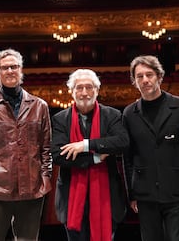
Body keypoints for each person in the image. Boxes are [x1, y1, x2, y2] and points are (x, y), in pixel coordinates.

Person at [0, 48, 52, 241]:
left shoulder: (40, 106)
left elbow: (46, 149)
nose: (10, 71)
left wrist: (45, 179)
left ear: (21, 70)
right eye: (5, 68)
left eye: (14, 67)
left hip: (32, 189)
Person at [51, 68, 129, 241]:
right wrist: (95, 157)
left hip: (107, 198)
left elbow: (122, 142)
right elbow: (58, 154)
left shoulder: (112, 115)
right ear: (71, 91)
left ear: (97, 90)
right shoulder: (60, 119)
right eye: (79, 87)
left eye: (89, 87)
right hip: (72, 199)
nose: (84, 92)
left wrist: (85, 145)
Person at [122, 55, 179, 241]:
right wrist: (132, 194)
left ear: (159, 76)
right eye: (139, 76)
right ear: (134, 81)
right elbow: (128, 157)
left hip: (177, 191)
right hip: (145, 193)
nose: (145, 80)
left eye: (149, 74)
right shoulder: (129, 113)